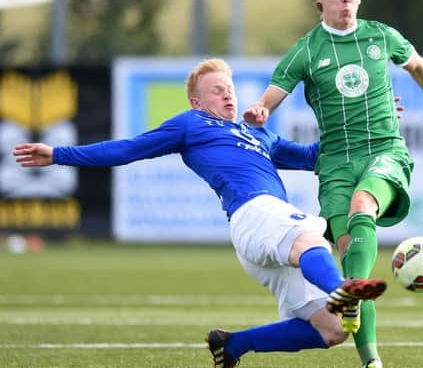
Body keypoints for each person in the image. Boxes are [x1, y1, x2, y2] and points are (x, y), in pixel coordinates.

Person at [13, 58, 389, 368]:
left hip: (263, 234)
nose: (227, 95)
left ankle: (234, 344)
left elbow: (313, 157)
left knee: (333, 330)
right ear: (197, 101)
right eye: (216, 90)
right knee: (309, 239)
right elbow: (128, 149)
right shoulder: (191, 124)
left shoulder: (260, 135)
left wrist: (367, 127)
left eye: (229, 88)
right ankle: (342, 290)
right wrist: (59, 154)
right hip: (255, 214)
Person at [243, 0, 423, 368]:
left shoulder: (380, 36)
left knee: (362, 205)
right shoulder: (306, 50)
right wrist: (260, 112)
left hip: (384, 153)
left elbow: (421, 67)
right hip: (335, 163)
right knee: (347, 254)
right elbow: (271, 96)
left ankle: (351, 297)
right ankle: (371, 360)